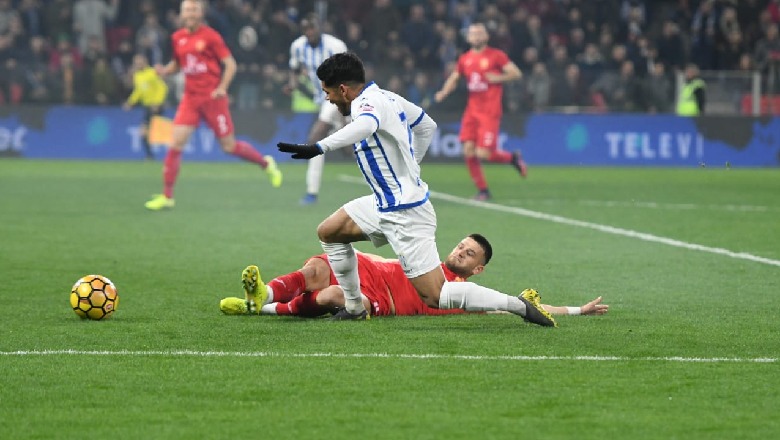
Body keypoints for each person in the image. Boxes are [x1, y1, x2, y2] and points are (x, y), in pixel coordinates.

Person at [277, 52, 556, 327]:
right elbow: (426, 125)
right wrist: (411, 170)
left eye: (328, 92)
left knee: (436, 295)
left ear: (343, 89)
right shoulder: (386, 96)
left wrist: (318, 147)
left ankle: (519, 305)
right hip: (384, 203)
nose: (327, 98)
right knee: (330, 231)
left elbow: (366, 125)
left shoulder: (366, 106)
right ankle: (353, 307)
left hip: (406, 213)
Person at [219, 234, 609, 319]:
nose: (458, 251)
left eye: (468, 253)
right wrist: (359, 254)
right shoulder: (427, 262)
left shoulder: (464, 293)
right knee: (319, 268)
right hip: (373, 271)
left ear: (477, 268)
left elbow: (518, 306)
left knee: (332, 297)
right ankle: (266, 292)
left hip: (383, 302)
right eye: (460, 246)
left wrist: (577, 310)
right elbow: (384, 256)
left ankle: (264, 309)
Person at [144, 0, 282, 210]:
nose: (190, 13)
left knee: (228, 146)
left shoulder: (211, 37)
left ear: (201, 13)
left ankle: (266, 164)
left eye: (194, 9)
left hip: (212, 100)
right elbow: (178, 64)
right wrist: (164, 71)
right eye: (186, 10)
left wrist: (222, 87)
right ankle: (167, 196)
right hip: (190, 99)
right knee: (175, 143)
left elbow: (230, 64)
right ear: (181, 14)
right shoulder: (177, 38)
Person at [433, 23, 528, 201]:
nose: (476, 36)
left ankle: (512, 158)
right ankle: (483, 190)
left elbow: (516, 73)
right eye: (473, 33)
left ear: (486, 37)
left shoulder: (496, 55)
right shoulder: (465, 58)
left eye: (479, 33)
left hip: (490, 111)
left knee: (483, 153)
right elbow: (454, 77)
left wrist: (499, 77)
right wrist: (444, 92)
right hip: (472, 111)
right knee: (468, 151)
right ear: (468, 38)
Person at [287, 13, 348, 205]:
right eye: (306, 28)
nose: (310, 32)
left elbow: (348, 74)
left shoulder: (335, 46)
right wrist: (292, 84)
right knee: (349, 150)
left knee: (315, 141)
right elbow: (295, 70)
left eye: (312, 27)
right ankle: (311, 193)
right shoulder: (297, 46)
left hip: (342, 97)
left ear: (320, 27)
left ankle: (311, 194)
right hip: (325, 99)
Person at [123, 53, 168, 160]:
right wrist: (130, 102)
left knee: (146, 131)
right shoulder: (137, 76)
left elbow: (162, 88)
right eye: (136, 62)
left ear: (145, 61)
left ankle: (151, 155)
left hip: (156, 106)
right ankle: (150, 155)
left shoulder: (153, 72)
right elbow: (138, 91)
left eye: (139, 62)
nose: (137, 64)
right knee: (145, 132)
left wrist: (157, 102)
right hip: (147, 107)